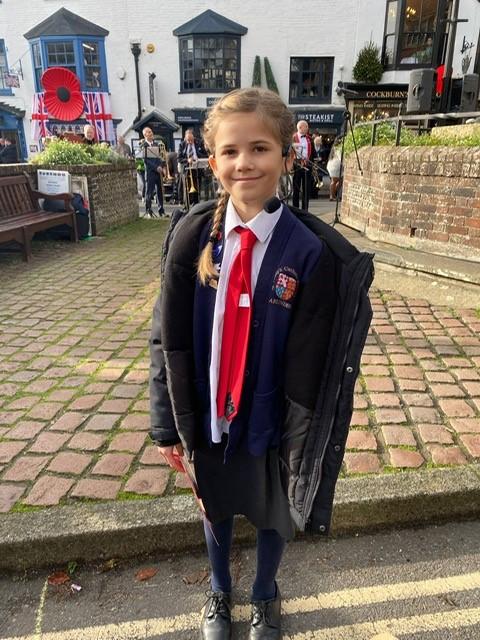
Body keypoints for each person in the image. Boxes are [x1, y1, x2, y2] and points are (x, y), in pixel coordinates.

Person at [149, 88, 373, 640]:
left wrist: (307, 437)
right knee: (215, 505)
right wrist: (165, 425)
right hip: (209, 414)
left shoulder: (309, 252)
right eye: (230, 151)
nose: (244, 163)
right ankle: (219, 588)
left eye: (259, 148)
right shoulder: (191, 239)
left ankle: (265, 593)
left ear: (287, 157)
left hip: (273, 416)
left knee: (275, 512)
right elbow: (164, 337)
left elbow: (317, 357)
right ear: (212, 162)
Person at [138, 126, 165, 216]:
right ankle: (148, 211)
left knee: (159, 192)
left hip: (158, 172)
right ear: (145, 135)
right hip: (150, 172)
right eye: (149, 132)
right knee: (149, 192)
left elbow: (160, 157)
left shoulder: (156, 144)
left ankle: (161, 211)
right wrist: (156, 167)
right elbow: (146, 160)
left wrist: (160, 166)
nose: (151, 133)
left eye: (151, 131)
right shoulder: (143, 146)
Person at [177, 129, 208, 206]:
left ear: (193, 137)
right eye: (188, 140)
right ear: (185, 138)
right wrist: (187, 160)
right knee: (186, 188)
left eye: (191, 140)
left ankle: (196, 203)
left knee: (197, 186)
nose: (190, 142)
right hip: (187, 169)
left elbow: (205, 155)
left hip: (197, 168)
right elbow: (179, 158)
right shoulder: (182, 144)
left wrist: (197, 157)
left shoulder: (199, 143)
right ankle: (187, 204)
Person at [291, 120, 314, 210]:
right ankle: (295, 209)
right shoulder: (293, 138)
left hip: (307, 166)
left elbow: (313, 153)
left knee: (306, 189)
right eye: (306, 127)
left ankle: (305, 210)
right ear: (300, 127)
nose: (307, 128)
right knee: (296, 189)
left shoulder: (309, 138)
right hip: (296, 166)